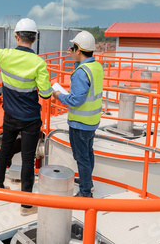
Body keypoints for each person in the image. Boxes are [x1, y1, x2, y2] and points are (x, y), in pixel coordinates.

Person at [0, 18, 53, 216]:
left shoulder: (5, 55)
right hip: (30, 119)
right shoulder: (39, 63)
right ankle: (26, 206)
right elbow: (46, 94)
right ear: (35, 38)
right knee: (28, 160)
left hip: (10, 115)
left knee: (4, 150)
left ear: (17, 36)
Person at [52, 31, 103, 198]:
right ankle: (88, 182)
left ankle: (85, 192)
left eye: (73, 48)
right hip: (91, 121)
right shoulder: (96, 66)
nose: (71, 51)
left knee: (82, 158)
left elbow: (76, 100)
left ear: (78, 50)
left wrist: (59, 96)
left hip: (80, 123)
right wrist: (76, 60)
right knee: (88, 154)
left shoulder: (81, 73)